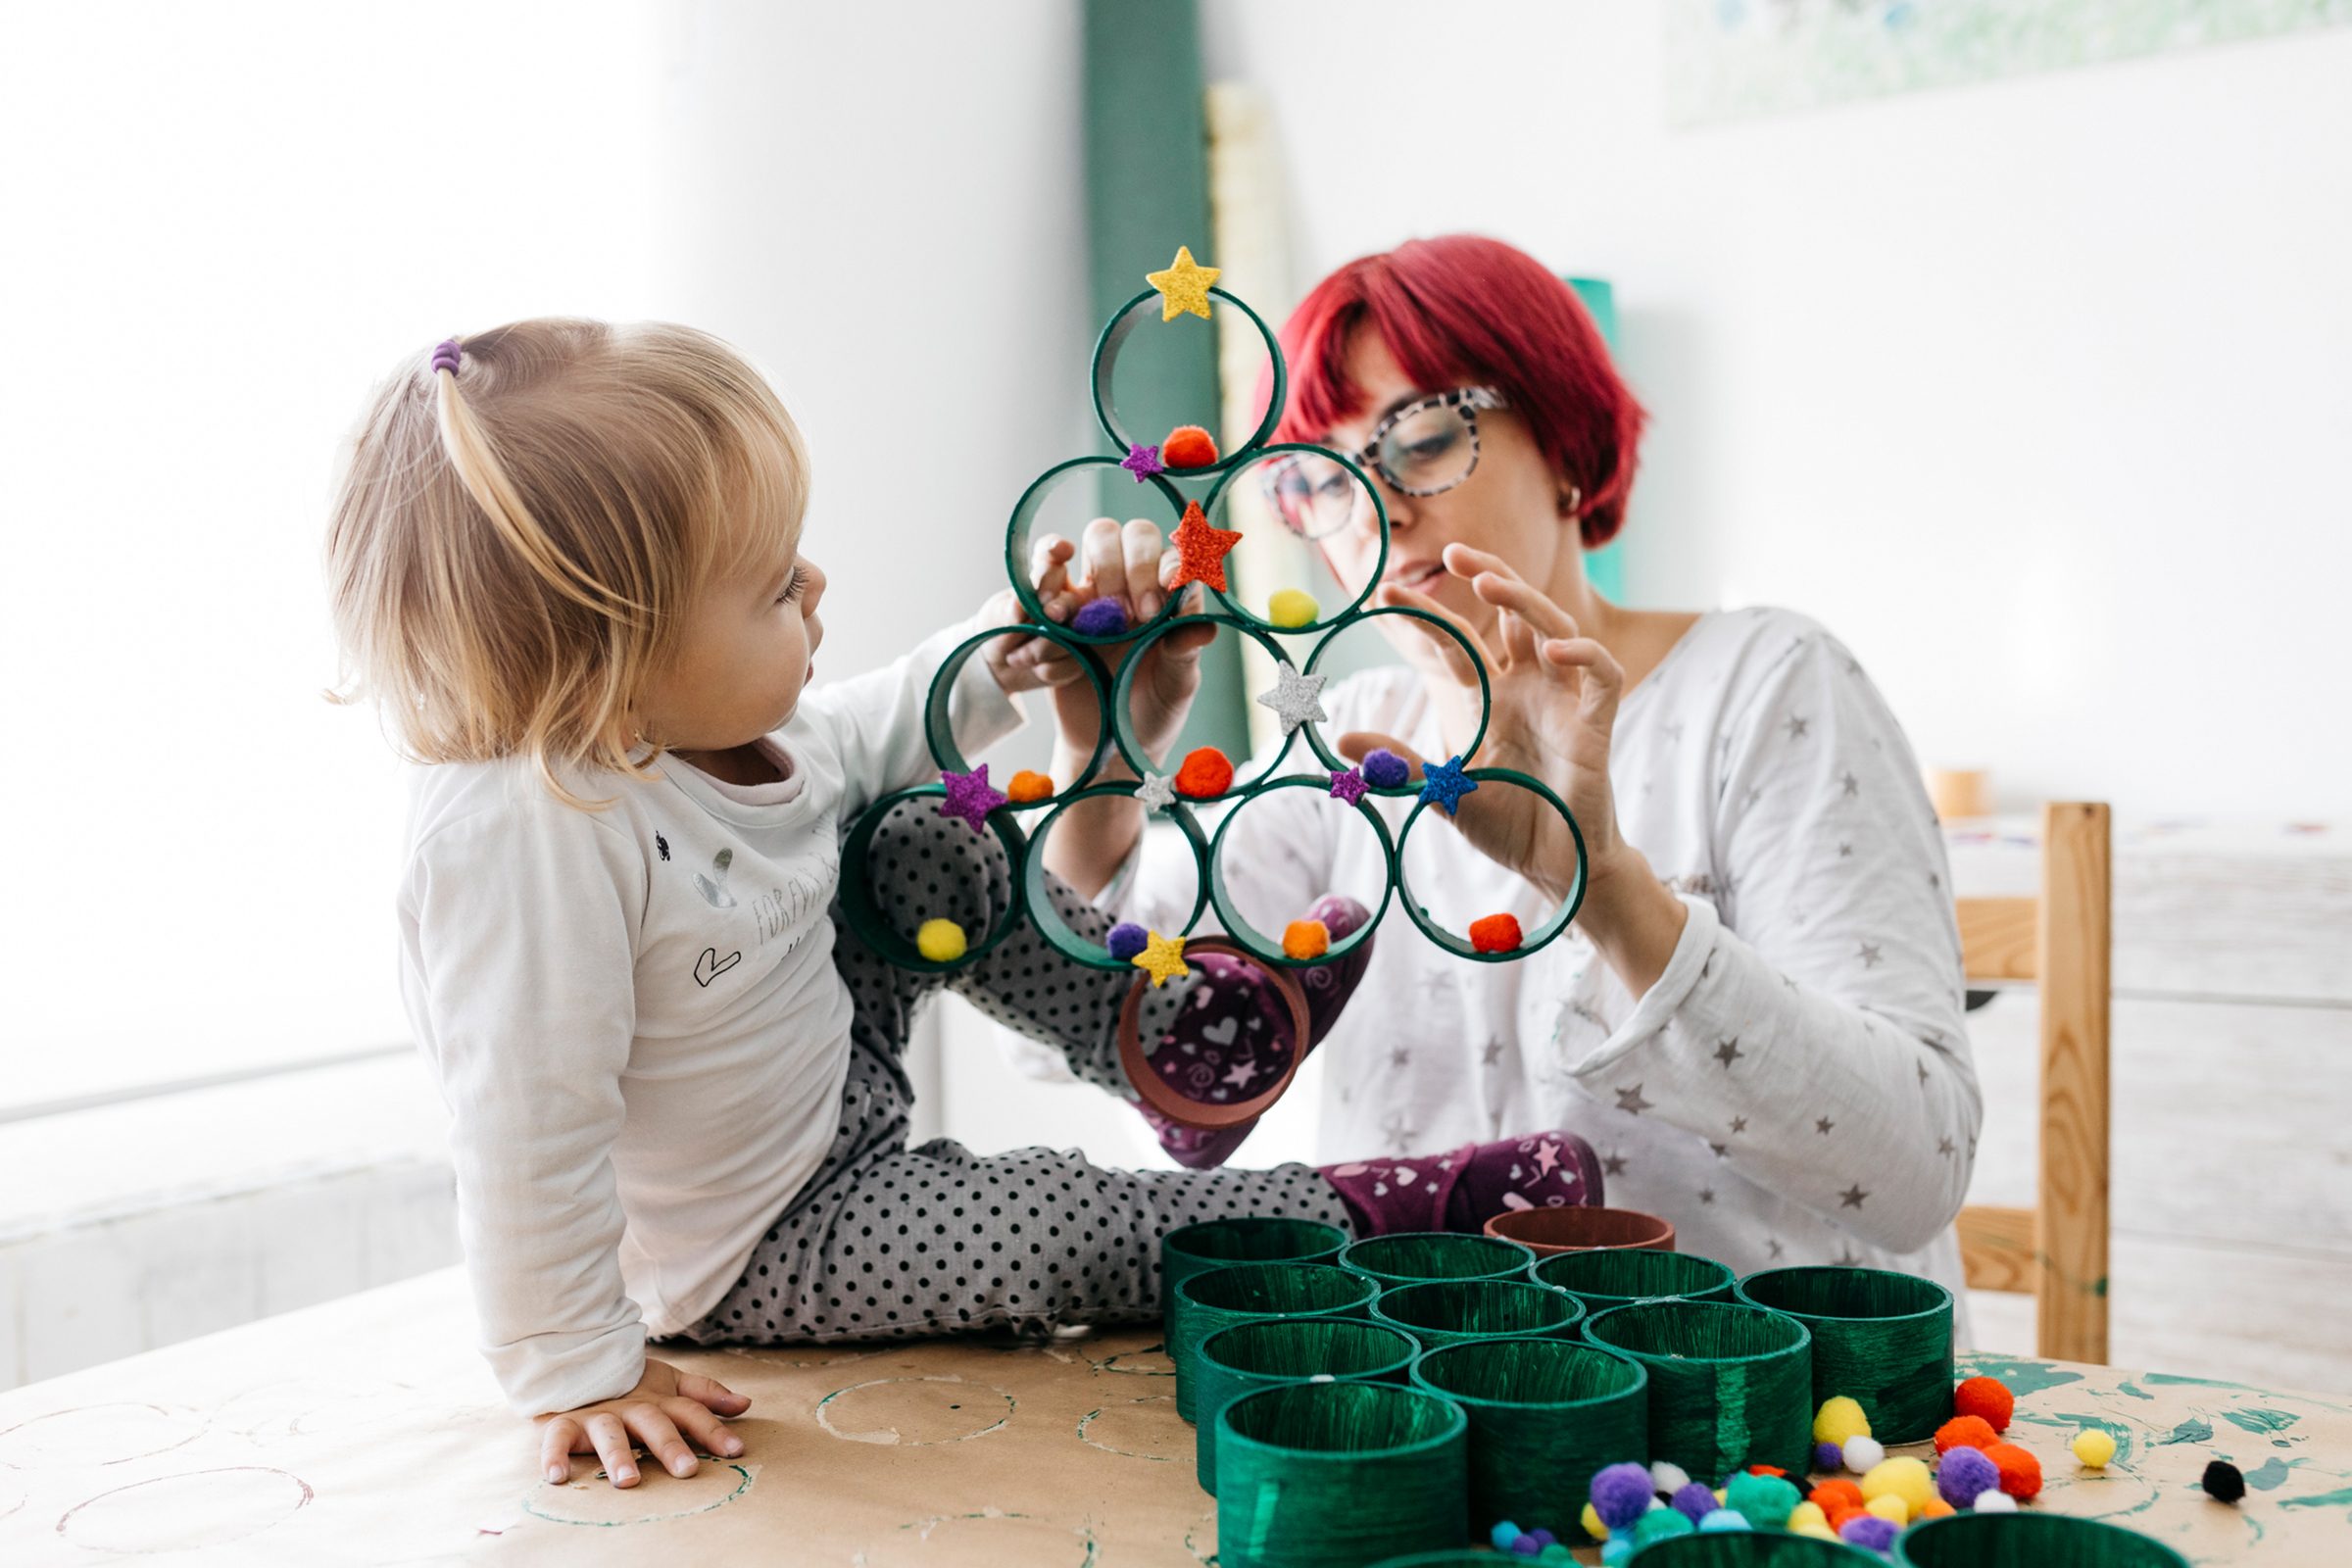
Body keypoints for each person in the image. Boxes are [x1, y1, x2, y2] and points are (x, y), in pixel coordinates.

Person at [325, 318, 1600, 1490]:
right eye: (774, 587)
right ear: (617, 648)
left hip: (834, 1085)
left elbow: (896, 721)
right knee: (1040, 1227)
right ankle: (1364, 1214)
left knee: (927, 829)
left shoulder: (719, 735)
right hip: (758, 1245)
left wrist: (1016, 636)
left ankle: (1182, 1041)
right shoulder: (530, 838)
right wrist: (577, 1373)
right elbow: (523, 1133)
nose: (816, 587)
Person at [1014, 234, 1983, 1299]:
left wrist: (1602, 885)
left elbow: (1917, 1163)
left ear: (1567, 446)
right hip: (1433, 1407)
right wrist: (1103, 752)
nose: (1376, 508)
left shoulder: (1766, 686)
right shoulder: (1342, 739)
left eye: (1423, 437)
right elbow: (1114, 1027)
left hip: (1758, 1418)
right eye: (1319, 480)